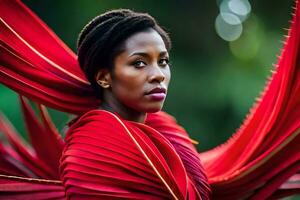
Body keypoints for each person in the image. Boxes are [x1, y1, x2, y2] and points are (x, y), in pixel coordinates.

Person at [0, 0, 299, 199]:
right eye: (139, 63)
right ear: (104, 76)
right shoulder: (94, 145)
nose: (158, 75)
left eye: (163, 61)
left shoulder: (167, 133)